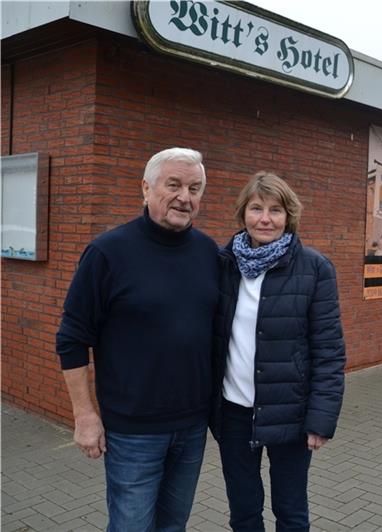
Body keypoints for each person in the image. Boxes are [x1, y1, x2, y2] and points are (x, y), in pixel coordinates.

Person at [55, 147, 219, 531]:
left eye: (195, 188)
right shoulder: (108, 253)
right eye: (173, 184)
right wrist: (84, 414)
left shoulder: (209, 252)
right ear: (145, 188)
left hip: (193, 426)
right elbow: (72, 338)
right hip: (132, 432)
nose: (185, 197)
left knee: (172, 526)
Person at [211, 171, 346, 532]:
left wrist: (321, 419)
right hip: (234, 412)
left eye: (276, 209)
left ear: (290, 216)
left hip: (291, 413)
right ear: (243, 214)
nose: (265, 218)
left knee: (290, 511)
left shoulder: (315, 268)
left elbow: (329, 350)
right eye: (256, 208)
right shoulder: (223, 265)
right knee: (243, 511)